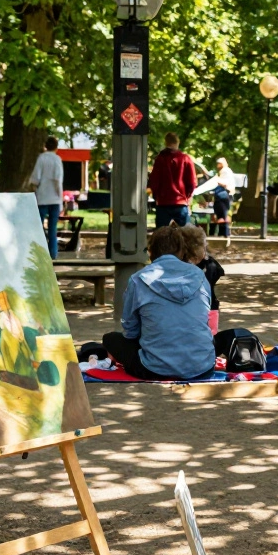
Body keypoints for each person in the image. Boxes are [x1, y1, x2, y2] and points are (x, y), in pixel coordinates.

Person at [103, 225, 215, 381]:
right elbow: (204, 315)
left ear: (150, 252)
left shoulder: (138, 279)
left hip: (154, 369)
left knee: (110, 339)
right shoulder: (200, 275)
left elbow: (130, 330)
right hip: (203, 367)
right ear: (181, 252)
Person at [148, 132, 197, 228]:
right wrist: (187, 197)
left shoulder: (160, 159)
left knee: (161, 235)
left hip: (163, 203)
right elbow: (192, 182)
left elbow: (154, 182)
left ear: (166, 142)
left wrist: (156, 196)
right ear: (177, 143)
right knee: (184, 235)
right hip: (180, 203)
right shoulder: (185, 159)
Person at [28, 136, 63, 258]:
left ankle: (39, 253)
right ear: (56, 147)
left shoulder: (41, 158)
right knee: (53, 228)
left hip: (42, 197)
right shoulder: (57, 159)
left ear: (45, 146)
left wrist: (34, 187)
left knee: (39, 226)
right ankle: (53, 254)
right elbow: (58, 179)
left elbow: (36, 178)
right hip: (55, 198)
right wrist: (60, 198)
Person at [210, 157, 235, 238]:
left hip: (222, 195)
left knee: (221, 214)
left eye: (218, 163)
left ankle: (224, 233)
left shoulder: (225, 171)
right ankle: (223, 232)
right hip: (226, 195)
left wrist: (215, 180)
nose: (217, 165)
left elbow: (224, 183)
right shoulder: (228, 171)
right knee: (223, 214)